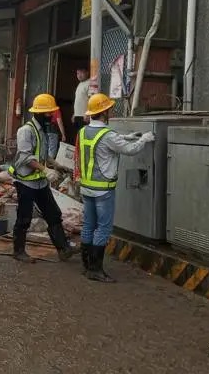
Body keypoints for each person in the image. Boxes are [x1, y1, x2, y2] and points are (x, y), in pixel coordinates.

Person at [79, 93, 154, 282]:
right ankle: (96, 270)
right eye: (109, 109)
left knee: (88, 225)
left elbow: (106, 141)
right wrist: (144, 139)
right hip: (103, 190)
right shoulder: (107, 135)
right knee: (103, 228)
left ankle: (87, 266)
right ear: (104, 112)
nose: (111, 112)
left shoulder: (83, 131)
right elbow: (130, 150)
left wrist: (126, 136)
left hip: (86, 188)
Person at [8, 93, 76, 263]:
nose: (51, 116)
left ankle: (64, 249)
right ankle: (18, 251)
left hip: (40, 182)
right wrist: (45, 170)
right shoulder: (26, 131)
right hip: (26, 182)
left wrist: (56, 164)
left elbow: (42, 154)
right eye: (48, 113)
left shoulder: (42, 130)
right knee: (24, 217)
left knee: (53, 214)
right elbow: (25, 157)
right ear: (39, 113)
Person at [72, 69, 90, 134]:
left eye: (81, 73)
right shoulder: (80, 84)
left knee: (83, 135)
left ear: (87, 73)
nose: (79, 75)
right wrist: (74, 114)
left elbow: (91, 99)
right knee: (79, 135)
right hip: (78, 115)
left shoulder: (89, 83)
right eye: (78, 73)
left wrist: (88, 113)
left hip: (84, 116)